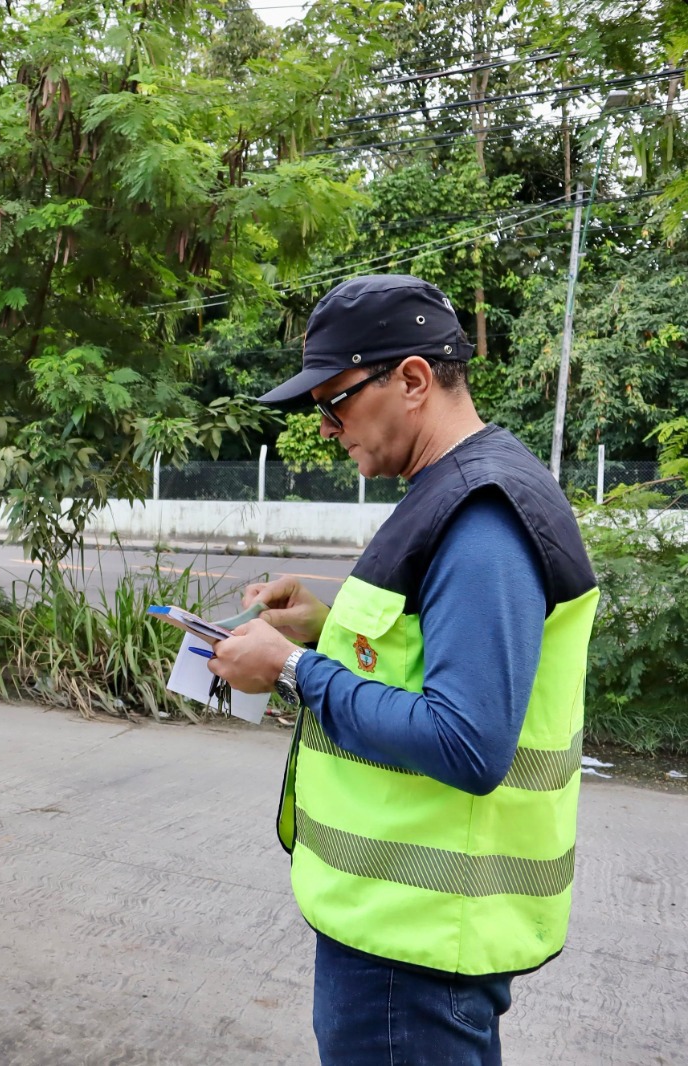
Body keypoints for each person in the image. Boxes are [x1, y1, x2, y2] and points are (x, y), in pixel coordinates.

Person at [206, 274, 598, 1066]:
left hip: (415, 952)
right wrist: (323, 629)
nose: (326, 428)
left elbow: (468, 741)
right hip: (398, 933)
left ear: (413, 380)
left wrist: (291, 669)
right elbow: (420, 655)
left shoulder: (481, 514)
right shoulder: (448, 491)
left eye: (336, 402)